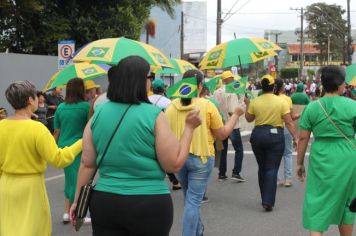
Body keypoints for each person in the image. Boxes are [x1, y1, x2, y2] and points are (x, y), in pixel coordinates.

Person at [69, 56, 201, 236]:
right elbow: (174, 164)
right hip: (148, 203)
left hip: (105, 202)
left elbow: (87, 164)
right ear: (141, 80)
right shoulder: (154, 115)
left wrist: (77, 201)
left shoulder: (98, 114)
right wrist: (189, 128)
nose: (151, 81)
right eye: (150, 77)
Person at [165, 69, 245, 236]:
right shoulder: (206, 105)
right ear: (200, 86)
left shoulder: (171, 107)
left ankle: (198, 231)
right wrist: (236, 114)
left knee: (190, 200)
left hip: (179, 158)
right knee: (193, 202)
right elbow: (222, 134)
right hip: (201, 159)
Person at [0, 81, 82, 236]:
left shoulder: (2, 126)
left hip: (5, 185)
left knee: (8, 229)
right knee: (32, 229)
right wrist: (82, 142)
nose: (39, 99)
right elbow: (59, 159)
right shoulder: (37, 129)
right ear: (30, 100)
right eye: (36, 97)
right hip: (30, 187)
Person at [297, 65, 356, 236]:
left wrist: (299, 164)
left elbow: (303, 138)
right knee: (347, 201)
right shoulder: (353, 106)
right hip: (348, 155)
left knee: (317, 200)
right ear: (340, 84)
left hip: (321, 155)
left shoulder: (313, 107)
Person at [244, 74, 298, 212]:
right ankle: (268, 201)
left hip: (258, 135)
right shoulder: (281, 102)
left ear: (262, 86)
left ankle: (264, 198)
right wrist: (295, 138)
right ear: (274, 87)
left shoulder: (255, 101)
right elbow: (289, 121)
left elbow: (249, 119)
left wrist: (248, 104)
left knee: (262, 167)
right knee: (271, 168)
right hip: (275, 135)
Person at [53, 78, 90, 224]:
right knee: (81, 180)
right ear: (81, 90)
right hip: (81, 147)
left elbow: (56, 131)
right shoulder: (87, 107)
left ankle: (67, 212)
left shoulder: (60, 107)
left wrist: (52, 150)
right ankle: (79, 213)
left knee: (70, 179)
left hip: (64, 148)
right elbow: (90, 129)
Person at [148, 78, 181, 191]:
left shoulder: (146, 100)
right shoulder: (168, 102)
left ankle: (172, 180)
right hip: (164, 131)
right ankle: (175, 181)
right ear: (163, 89)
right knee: (164, 155)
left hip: (147, 130)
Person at [213, 70, 246, 182]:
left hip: (220, 124)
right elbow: (233, 112)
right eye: (232, 78)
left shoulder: (216, 92)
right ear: (229, 79)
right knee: (239, 149)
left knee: (223, 149)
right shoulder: (231, 92)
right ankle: (236, 172)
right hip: (233, 125)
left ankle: (222, 174)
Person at [274, 79, 300, 187]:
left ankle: (276, 179)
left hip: (274, 129)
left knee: (275, 155)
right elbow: (291, 117)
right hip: (285, 128)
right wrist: (301, 113)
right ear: (281, 87)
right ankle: (288, 179)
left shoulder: (270, 98)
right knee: (288, 154)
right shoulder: (287, 99)